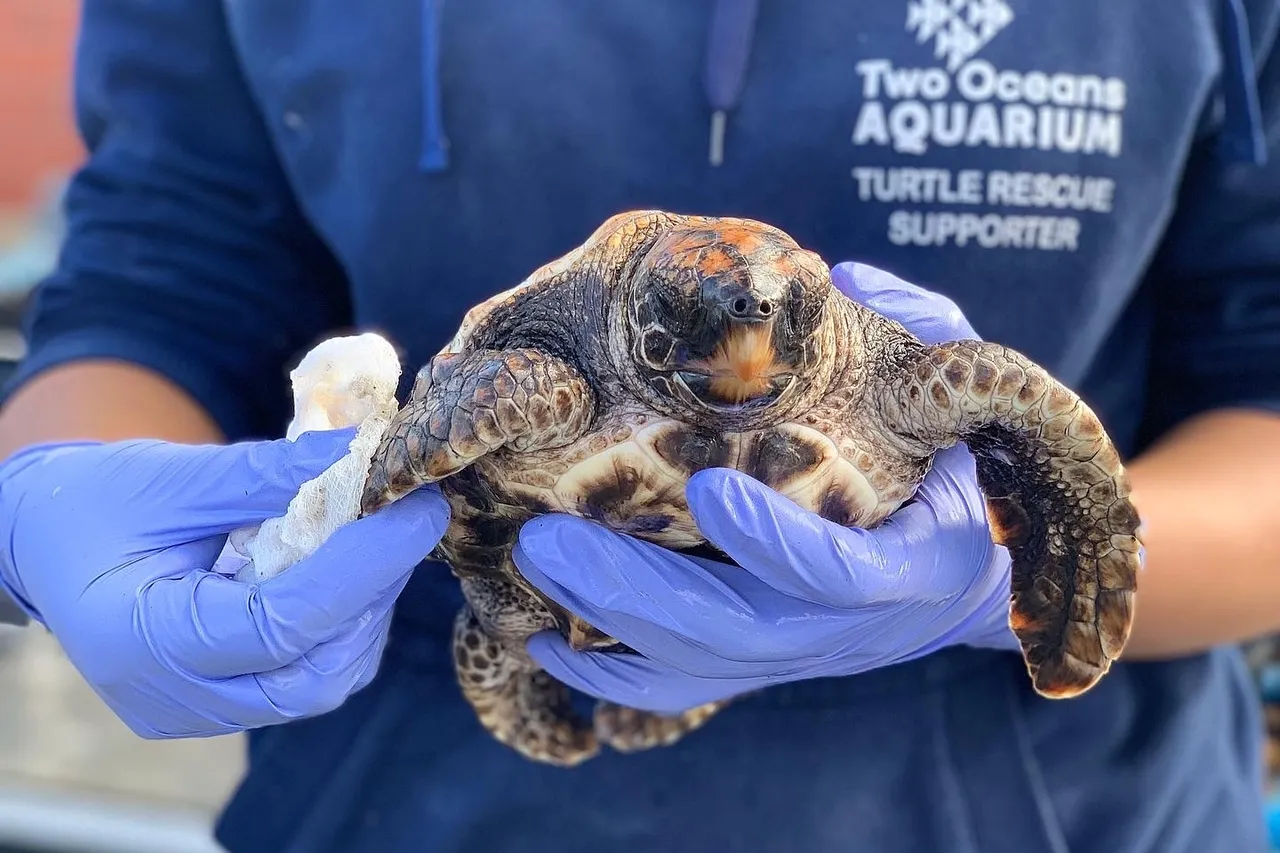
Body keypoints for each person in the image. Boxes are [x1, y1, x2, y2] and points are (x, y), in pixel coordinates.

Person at [1, 1, 1278, 850]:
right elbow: (161, 287)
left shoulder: (886, 372)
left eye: (769, 327)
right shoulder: (553, 365)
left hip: (1058, 807)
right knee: (501, 610)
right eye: (701, 325)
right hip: (420, 795)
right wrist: (51, 504)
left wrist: (1006, 578)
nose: (740, 354)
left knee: (1012, 400)